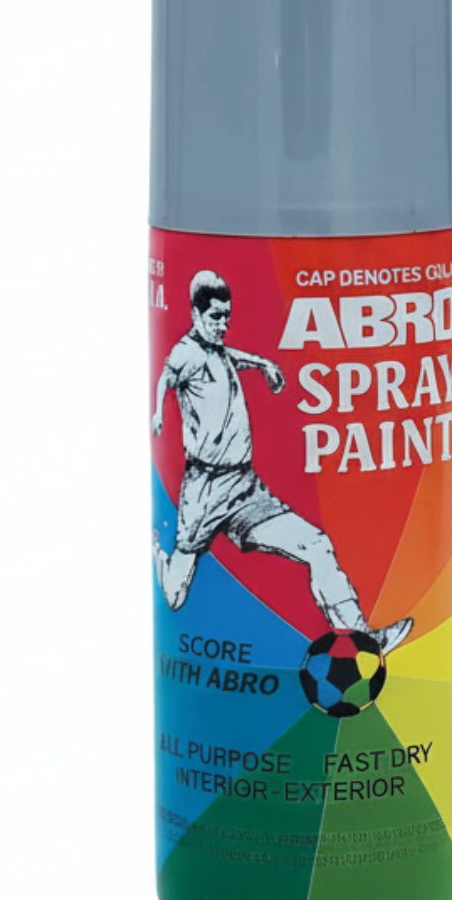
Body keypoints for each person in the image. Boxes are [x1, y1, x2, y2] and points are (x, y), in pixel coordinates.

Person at [152, 269, 413, 653]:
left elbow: (231, 356)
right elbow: (166, 377)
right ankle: (158, 554)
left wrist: (262, 364)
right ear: (195, 313)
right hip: (204, 491)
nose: (223, 325)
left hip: (245, 487)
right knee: (175, 596)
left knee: (316, 544)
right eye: (215, 317)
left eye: (227, 316)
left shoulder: (217, 350)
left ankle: (363, 638)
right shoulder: (186, 354)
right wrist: (157, 413)